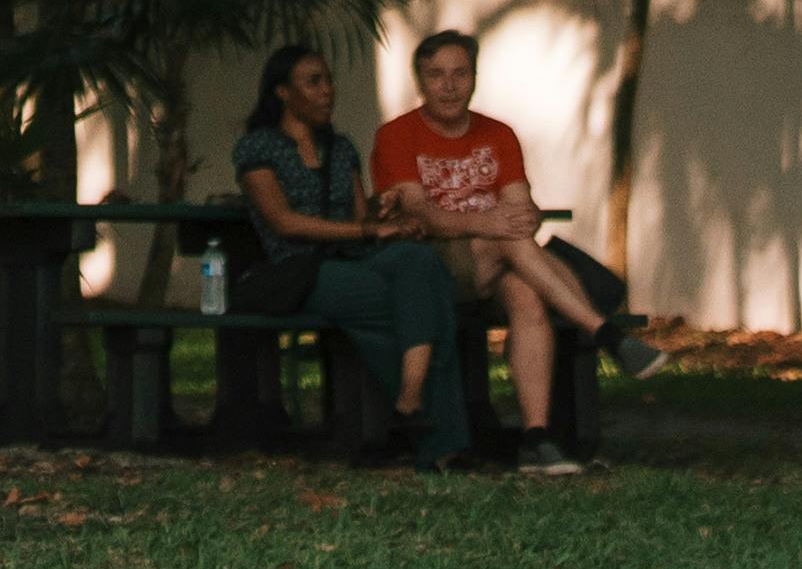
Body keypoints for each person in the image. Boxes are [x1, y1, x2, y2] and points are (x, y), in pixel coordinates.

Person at [226, 40, 475, 468]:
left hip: (355, 259)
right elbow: (283, 222)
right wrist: (366, 228)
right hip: (300, 269)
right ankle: (441, 443)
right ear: (282, 92)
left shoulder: (340, 149)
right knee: (423, 303)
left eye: (329, 81)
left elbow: (363, 218)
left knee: (422, 263)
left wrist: (386, 211)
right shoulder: (258, 148)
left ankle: (410, 400)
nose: (327, 91)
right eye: (313, 82)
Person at [371, 29, 612, 471]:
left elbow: (519, 206)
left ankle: (536, 436)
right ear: (420, 81)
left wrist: (525, 217)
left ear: (475, 77)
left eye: (460, 74)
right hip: (436, 264)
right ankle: (602, 331)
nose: (449, 85)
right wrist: (492, 224)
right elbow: (426, 217)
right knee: (512, 242)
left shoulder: (498, 134)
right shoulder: (397, 135)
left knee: (526, 292)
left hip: (498, 262)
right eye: (436, 75)